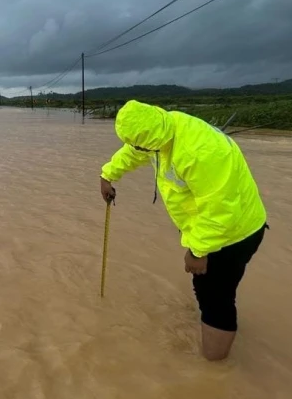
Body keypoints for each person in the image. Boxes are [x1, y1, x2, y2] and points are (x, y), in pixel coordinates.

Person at [99, 100, 268, 361]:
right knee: (209, 291)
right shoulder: (162, 127)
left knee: (215, 298)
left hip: (233, 234)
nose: (137, 149)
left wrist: (198, 251)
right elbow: (134, 152)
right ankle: (216, 333)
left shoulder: (200, 151)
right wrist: (107, 175)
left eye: (140, 145)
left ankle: (215, 368)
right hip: (211, 226)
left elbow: (221, 211)